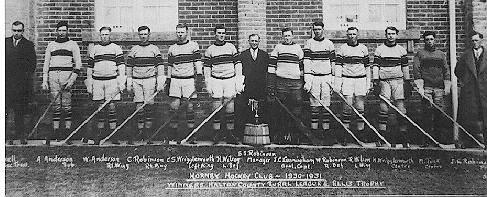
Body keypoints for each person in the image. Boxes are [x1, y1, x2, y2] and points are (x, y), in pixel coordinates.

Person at [42, 21, 82, 145]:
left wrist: (71, 81)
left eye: (64, 30)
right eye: (59, 30)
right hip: (53, 76)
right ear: (57, 31)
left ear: (67, 31)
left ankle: (67, 132)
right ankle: (56, 131)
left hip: (66, 76)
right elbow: (46, 63)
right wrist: (45, 80)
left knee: (66, 105)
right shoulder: (51, 45)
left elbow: (78, 65)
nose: (62, 33)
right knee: (55, 105)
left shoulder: (72, 45)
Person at [85, 26, 126, 145]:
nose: (104, 37)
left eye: (107, 35)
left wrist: (121, 81)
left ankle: (113, 135)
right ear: (100, 36)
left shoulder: (115, 48)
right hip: (97, 81)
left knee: (112, 107)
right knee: (100, 108)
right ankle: (100, 134)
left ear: (110, 35)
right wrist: (89, 82)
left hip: (111, 81)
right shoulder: (95, 49)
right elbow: (89, 67)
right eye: (102, 35)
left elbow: (121, 66)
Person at [203, 24, 243, 144]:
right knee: (216, 107)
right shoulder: (210, 50)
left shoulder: (231, 47)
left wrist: (238, 82)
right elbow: (207, 68)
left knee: (230, 107)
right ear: (215, 34)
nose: (221, 35)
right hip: (216, 80)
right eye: (219, 33)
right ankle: (217, 134)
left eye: (223, 33)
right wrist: (208, 83)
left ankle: (230, 134)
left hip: (229, 79)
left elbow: (238, 65)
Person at [372, 26, 411, 148]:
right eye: (388, 33)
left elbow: (405, 67)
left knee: (400, 108)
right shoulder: (380, 50)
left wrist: (407, 81)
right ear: (385, 35)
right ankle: (382, 137)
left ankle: (403, 138)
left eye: (393, 34)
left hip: (398, 81)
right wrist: (375, 81)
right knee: (383, 108)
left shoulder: (401, 50)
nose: (390, 36)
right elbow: (376, 66)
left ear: (396, 35)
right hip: (384, 82)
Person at [126, 26, 165, 144]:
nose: (143, 36)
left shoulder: (154, 49)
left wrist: (160, 82)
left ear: (149, 35)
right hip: (137, 80)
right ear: (139, 35)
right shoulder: (134, 49)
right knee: (139, 106)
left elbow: (160, 66)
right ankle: (140, 131)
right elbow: (129, 67)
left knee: (149, 105)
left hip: (149, 80)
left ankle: (148, 133)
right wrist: (129, 81)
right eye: (141, 34)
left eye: (145, 34)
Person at [413, 31, 451, 146]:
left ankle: (439, 139)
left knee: (439, 113)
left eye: (431, 39)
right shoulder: (420, 54)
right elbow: (416, 70)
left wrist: (447, 86)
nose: (429, 41)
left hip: (438, 87)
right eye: (427, 39)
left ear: (434, 40)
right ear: (424, 41)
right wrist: (420, 87)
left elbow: (446, 70)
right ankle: (426, 140)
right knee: (427, 113)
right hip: (427, 88)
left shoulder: (440, 54)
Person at [166, 23, 203, 143]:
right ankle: (173, 135)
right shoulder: (172, 48)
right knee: (174, 107)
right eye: (178, 32)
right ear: (176, 33)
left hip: (188, 79)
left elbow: (198, 63)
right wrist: (168, 80)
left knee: (190, 107)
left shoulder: (193, 46)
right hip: (176, 79)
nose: (180, 34)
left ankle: (191, 135)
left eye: (182, 32)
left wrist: (199, 77)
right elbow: (170, 66)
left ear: (186, 32)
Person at [268, 27, 304, 144]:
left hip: (295, 83)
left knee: (296, 108)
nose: (287, 38)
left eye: (289, 36)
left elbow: (302, 67)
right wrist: (271, 85)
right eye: (285, 36)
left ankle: (294, 136)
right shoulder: (278, 48)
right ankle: (281, 136)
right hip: (281, 82)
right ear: (282, 37)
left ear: (292, 36)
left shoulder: (298, 48)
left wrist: (303, 81)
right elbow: (271, 68)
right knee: (281, 109)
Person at [303, 22, 336, 145]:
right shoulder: (309, 43)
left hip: (326, 77)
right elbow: (307, 62)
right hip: (314, 78)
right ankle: (315, 133)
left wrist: (333, 79)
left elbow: (333, 62)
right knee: (314, 105)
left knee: (326, 106)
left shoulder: (329, 44)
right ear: (313, 30)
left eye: (319, 29)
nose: (317, 31)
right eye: (315, 29)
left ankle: (326, 132)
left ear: (323, 30)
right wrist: (308, 80)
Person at [336, 27, 371, 143]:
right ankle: (346, 134)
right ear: (347, 36)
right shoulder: (342, 48)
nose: (352, 36)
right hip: (347, 80)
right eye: (349, 34)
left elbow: (367, 68)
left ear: (357, 35)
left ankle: (360, 134)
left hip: (360, 80)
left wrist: (368, 83)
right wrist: (338, 83)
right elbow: (338, 67)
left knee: (360, 107)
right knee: (347, 106)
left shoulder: (363, 49)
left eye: (354, 34)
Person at [5, 21, 37, 145]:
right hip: (6, 84)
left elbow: (32, 65)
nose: (17, 33)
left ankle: (21, 136)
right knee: (5, 111)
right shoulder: (5, 43)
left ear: (23, 31)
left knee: (20, 111)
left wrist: (23, 78)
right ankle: (7, 136)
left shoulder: (28, 45)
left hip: (21, 85)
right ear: (12, 30)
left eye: (19, 31)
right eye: (14, 30)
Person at [455, 31, 487, 149]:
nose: (474, 43)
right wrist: (465, 81)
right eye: (472, 41)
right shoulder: (466, 55)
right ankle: (466, 141)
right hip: (470, 91)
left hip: (485, 91)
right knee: (467, 116)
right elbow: (457, 71)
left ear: (481, 40)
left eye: (476, 40)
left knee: (485, 116)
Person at [236, 34, 269, 139]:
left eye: (256, 41)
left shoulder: (264, 55)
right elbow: (240, 72)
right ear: (248, 42)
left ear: (259, 41)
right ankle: (244, 135)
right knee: (246, 110)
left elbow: (266, 73)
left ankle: (260, 135)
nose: (254, 42)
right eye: (252, 41)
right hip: (247, 87)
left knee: (261, 110)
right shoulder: (243, 55)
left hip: (260, 87)